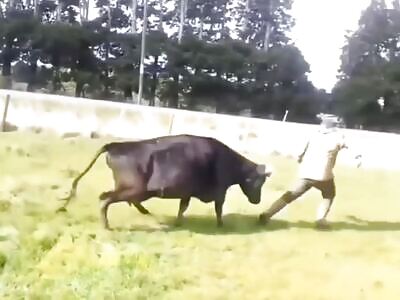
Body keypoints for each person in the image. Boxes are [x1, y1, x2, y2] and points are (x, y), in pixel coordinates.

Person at [259, 115, 362, 230]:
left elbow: (300, 153)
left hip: (306, 173)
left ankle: (268, 213)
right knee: (329, 195)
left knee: (289, 196)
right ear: (335, 125)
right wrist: (358, 158)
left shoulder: (313, 133)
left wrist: (300, 158)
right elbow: (352, 147)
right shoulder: (338, 136)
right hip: (323, 175)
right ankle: (321, 220)